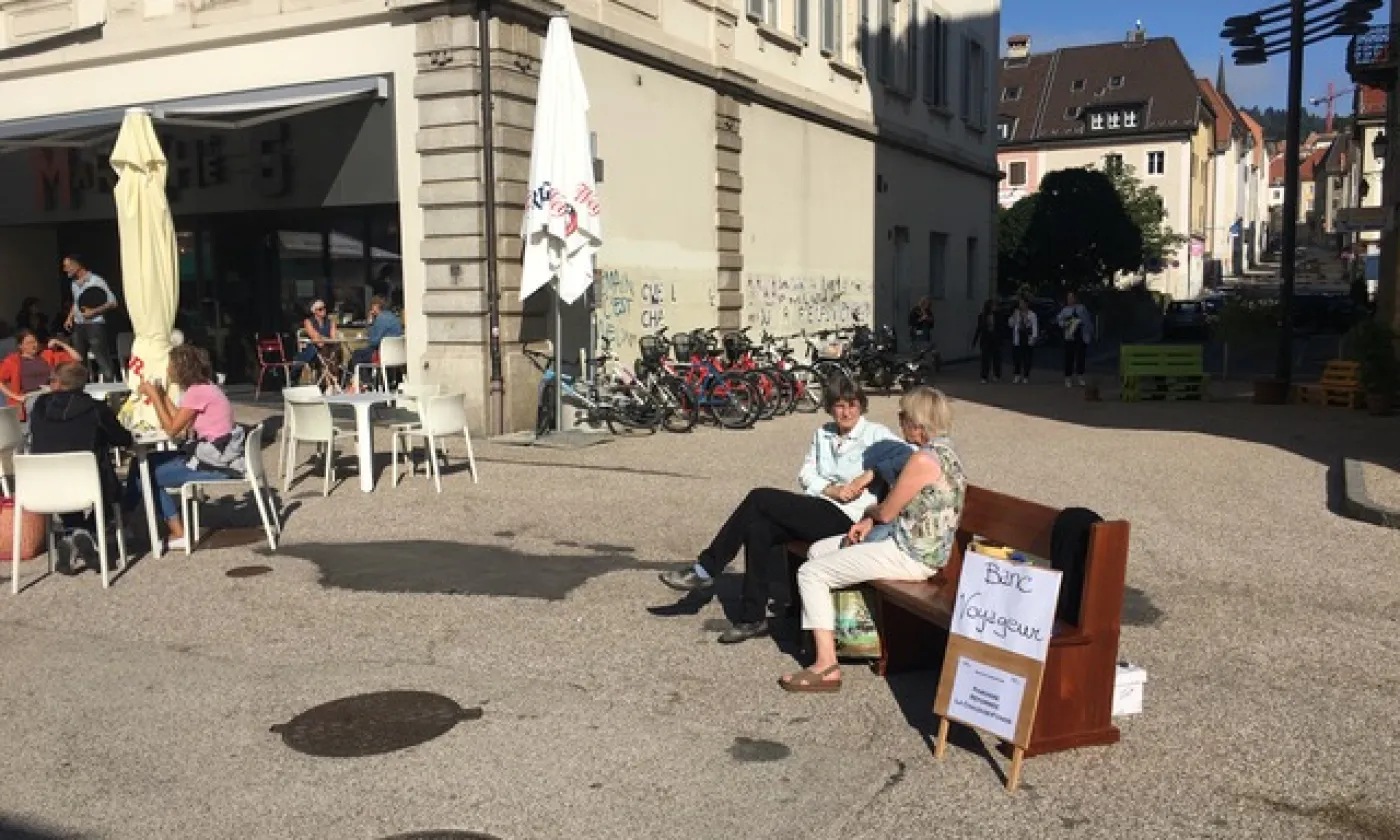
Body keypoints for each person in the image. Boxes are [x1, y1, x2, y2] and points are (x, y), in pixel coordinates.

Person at [657, 376, 906, 643]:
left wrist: (868, 475)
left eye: (852, 406)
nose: (845, 412)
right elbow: (806, 474)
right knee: (758, 528)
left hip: (849, 518)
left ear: (861, 406)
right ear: (830, 407)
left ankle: (705, 569)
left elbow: (910, 454)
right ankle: (752, 618)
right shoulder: (824, 433)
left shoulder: (876, 435)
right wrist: (831, 489)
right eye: (839, 406)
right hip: (821, 505)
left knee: (759, 497)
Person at [779, 387, 967, 693]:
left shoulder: (923, 461)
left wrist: (868, 510)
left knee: (810, 573)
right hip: (909, 544)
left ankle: (826, 666)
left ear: (919, 423)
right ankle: (847, 633)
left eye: (903, 416)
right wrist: (869, 521)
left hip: (911, 555)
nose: (900, 422)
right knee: (818, 550)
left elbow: (888, 510)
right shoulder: (946, 452)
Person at [124, 345, 244, 552]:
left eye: (170, 366)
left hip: (216, 463)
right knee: (140, 463)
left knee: (147, 475)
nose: (168, 371)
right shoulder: (204, 387)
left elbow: (172, 430)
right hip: (216, 454)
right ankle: (129, 519)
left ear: (180, 368)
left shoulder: (198, 392)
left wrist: (154, 397)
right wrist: (162, 397)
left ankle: (174, 532)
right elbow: (182, 421)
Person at [29, 361, 134, 575]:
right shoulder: (96, 409)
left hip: (43, 486)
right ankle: (89, 532)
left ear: (57, 383)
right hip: (90, 485)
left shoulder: (40, 406)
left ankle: (73, 531)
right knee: (110, 486)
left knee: (67, 473)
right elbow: (122, 439)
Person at [0, 329, 81, 418]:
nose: (34, 345)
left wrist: (59, 343)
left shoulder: (46, 355)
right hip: (31, 396)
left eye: (35, 342)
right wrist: (15, 397)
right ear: (20, 346)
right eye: (29, 343)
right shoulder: (12, 361)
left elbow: (77, 358)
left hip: (50, 392)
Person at [62, 255, 119, 381]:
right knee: (78, 359)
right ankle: (80, 390)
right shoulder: (74, 284)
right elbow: (76, 302)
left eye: (67, 265)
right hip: (79, 325)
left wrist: (94, 311)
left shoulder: (96, 280)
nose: (65, 269)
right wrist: (69, 317)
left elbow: (113, 302)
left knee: (101, 358)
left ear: (77, 265)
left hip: (94, 324)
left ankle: (112, 392)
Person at [345, 295, 404, 390]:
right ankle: (366, 382)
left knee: (357, 354)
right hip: (398, 356)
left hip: (382, 355)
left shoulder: (380, 319)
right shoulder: (395, 318)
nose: (371, 308)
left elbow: (373, 341)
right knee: (363, 354)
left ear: (376, 306)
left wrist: (370, 323)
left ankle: (365, 383)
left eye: (372, 306)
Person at [289, 300, 338, 385]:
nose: (323, 310)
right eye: (320, 309)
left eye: (324, 308)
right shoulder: (308, 321)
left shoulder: (331, 322)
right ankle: (294, 377)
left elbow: (333, 338)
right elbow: (314, 336)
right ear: (314, 311)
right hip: (314, 349)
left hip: (328, 349)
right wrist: (324, 339)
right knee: (314, 350)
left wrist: (322, 339)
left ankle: (329, 383)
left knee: (332, 352)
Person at [1057, 291, 1094, 387]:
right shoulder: (1065, 310)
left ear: (1075, 298)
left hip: (1081, 336)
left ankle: (1080, 376)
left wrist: (1088, 333)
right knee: (1069, 357)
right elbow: (1059, 321)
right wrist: (1066, 323)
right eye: (1068, 298)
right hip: (1070, 336)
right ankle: (1068, 377)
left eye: (1071, 297)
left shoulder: (1081, 308)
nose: (1069, 300)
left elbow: (1087, 321)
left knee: (1081, 357)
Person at [971, 299, 1004, 383]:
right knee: (985, 359)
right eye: (993, 305)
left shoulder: (999, 315)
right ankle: (984, 376)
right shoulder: (982, 316)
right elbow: (979, 329)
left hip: (996, 339)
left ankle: (996, 374)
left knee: (996, 358)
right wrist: (974, 341)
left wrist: (1001, 339)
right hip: (986, 339)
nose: (995, 307)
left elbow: (1001, 328)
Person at [1008, 297, 1039, 384]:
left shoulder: (1032, 315)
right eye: (1019, 303)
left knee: (1027, 358)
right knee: (1016, 358)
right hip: (1018, 338)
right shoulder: (1016, 313)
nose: (1020, 305)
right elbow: (1010, 324)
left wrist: (1034, 338)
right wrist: (1013, 317)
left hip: (1027, 337)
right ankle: (1017, 375)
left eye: (1022, 303)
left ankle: (1026, 376)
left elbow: (1034, 327)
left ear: (1026, 304)